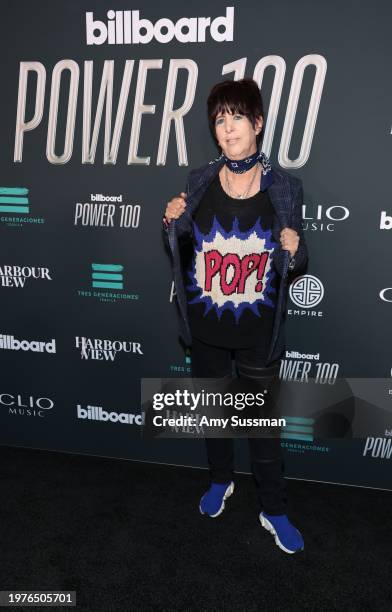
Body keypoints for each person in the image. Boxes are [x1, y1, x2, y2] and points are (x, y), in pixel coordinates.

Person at [162, 78, 308, 554]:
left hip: (257, 332)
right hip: (206, 329)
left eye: (236, 118)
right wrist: (171, 222)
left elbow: (296, 260)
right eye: (219, 121)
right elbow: (183, 246)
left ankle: (275, 508)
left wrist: (298, 250)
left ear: (258, 122)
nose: (227, 129)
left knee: (262, 427)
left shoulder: (285, 186)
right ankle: (220, 481)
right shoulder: (199, 180)